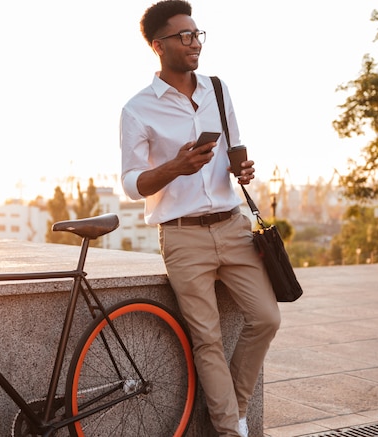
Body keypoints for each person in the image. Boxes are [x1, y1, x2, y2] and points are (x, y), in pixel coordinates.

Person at [119, 1, 280, 436]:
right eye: (184, 36)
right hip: (182, 237)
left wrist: (240, 168)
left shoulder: (218, 90)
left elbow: (235, 147)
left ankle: (237, 409)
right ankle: (231, 430)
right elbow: (132, 184)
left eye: (197, 34)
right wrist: (176, 167)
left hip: (232, 226)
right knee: (206, 341)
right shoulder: (137, 109)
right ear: (158, 46)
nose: (194, 43)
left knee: (267, 318)